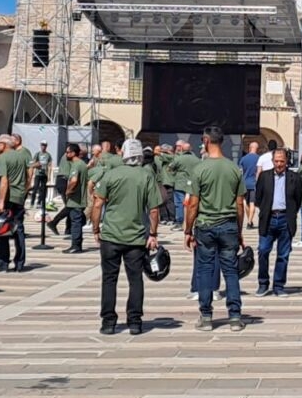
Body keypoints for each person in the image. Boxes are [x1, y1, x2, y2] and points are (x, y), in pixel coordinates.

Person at [91, 139, 162, 335]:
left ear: (123, 154)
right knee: (135, 279)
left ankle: (108, 321)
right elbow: (154, 210)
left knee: (109, 279)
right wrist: (153, 234)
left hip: (111, 235)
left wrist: (96, 229)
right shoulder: (146, 176)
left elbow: (97, 204)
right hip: (136, 238)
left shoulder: (111, 174)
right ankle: (135, 321)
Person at [186, 125, 246, 332]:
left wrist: (187, 230)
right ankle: (235, 317)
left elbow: (193, 204)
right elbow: (240, 204)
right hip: (228, 224)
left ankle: (206, 316)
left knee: (205, 269)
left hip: (205, 225)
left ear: (205, 140)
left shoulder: (200, 169)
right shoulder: (233, 168)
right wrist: (239, 230)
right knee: (231, 271)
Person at [252, 148, 301, 296]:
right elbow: (258, 198)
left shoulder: (294, 177)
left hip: (285, 219)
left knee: (283, 255)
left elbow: (298, 199)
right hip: (269, 218)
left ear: (287, 162)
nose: (279, 164)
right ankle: (263, 283)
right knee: (263, 251)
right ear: (272, 161)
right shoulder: (264, 176)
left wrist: (290, 213)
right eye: (276, 161)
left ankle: (279, 285)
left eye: (282, 161)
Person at [0, 134, 30, 272]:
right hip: (19, 196)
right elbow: (29, 173)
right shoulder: (22, 155)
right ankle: (20, 262)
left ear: (3, 144)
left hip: (7, 197)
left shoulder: (3, 157)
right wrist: (24, 190)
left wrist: (1, 202)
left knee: (2, 228)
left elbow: (4, 180)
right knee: (18, 229)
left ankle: (3, 262)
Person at [56, 144, 89, 253]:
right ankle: (77, 244)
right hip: (80, 199)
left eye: (68, 152)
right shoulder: (83, 164)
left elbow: (74, 181)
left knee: (76, 222)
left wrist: (68, 191)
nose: (66, 154)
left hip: (75, 200)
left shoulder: (76, 165)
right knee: (78, 220)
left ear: (74, 153)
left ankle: (76, 246)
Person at [169, 140, 200, 230]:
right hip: (192, 184)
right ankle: (192, 221)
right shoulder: (197, 159)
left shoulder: (179, 158)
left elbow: (170, 168)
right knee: (192, 203)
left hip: (180, 183)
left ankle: (180, 222)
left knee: (179, 203)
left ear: (182, 149)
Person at [239, 141, 261, 226]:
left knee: (246, 202)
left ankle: (249, 220)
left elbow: (240, 171)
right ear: (257, 149)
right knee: (252, 203)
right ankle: (249, 221)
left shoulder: (243, 159)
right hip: (254, 183)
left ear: (249, 148)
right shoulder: (259, 159)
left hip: (245, 183)